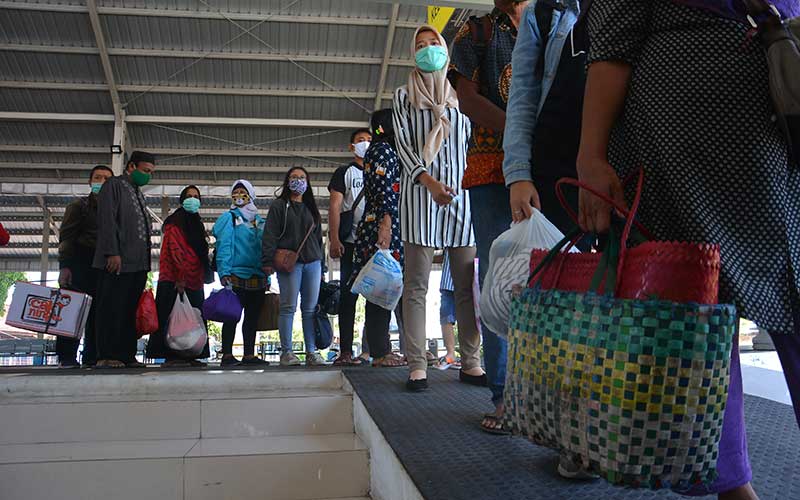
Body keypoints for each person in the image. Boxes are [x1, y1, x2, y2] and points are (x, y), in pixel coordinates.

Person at [575, 0, 800, 497]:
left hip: (768, 131)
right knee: (697, 307)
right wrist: (590, 154)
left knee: (708, 303)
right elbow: (612, 49)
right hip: (682, 147)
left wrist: (592, 151)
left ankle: (727, 483)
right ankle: (728, 482)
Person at [449, 0, 530, 436]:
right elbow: (467, 98)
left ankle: (549, 393)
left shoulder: (557, 24)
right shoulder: (475, 32)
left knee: (552, 277)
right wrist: (520, 132)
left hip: (547, 166)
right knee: (499, 279)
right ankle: (504, 395)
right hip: (490, 169)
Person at [393, 25, 485, 392]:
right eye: (420, 46)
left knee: (465, 286)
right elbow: (403, 146)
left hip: (462, 200)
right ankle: (417, 364)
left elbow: (472, 145)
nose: (428, 49)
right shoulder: (403, 96)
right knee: (415, 285)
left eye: (433, 44)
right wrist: (429, 183)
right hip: (420, 198)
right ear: (412, 54)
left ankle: (471, 361)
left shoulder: (463, 96)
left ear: (446, 51)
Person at [349, 109, 406, 368]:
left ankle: (386, 349)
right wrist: (386, 224)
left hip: (381, 223)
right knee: (382, 288)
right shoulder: (382, 150)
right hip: (382, 225)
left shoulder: (381, 150)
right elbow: (386, 191)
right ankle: (381, 352)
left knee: (386, 287)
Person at [93, 151, 156, 369]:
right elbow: (107, 219)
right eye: (145, 170)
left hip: (137, 264)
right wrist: (112, 252)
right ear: (131, 166)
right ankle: (107, 354)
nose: (147, 175)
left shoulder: (138, 192)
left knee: (129, 310)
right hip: (118, 260)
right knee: (112, 307)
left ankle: (126, 354)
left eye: (151, 173)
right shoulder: (114, 186)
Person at [262, 167, 326, 367]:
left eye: (302, 178)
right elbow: (270, 234)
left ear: (308, 182)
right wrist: (267, 261)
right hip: (289, 263)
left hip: (313, 263)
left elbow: (318, 238)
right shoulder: (280, 206)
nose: (298, 181)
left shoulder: (311, 208)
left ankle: (311, 352)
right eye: (293, 177)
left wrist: (322, 266)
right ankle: (287, 352)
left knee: (310, 309)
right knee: (288, 307)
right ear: (286, 181)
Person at [147, 186, 211, 367]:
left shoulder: (196, 223)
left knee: (193, 319)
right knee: (172, 317)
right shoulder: (174, 222)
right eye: (189, 196)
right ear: (182, 200)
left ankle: (190, 355)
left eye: (196, 196)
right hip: (175, 279)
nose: (193, 199)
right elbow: (175, 250)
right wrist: (180, 276)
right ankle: (171, 355)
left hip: (194, 279)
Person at [56, 165, 113, 367]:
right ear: (90, 182)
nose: (102, 181)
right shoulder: (78, 206)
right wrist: (65, 266)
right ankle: (67, 356)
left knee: (99, 313)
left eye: (106, 178)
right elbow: (66, 238)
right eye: (98, 177)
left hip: (104, 266)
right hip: (81, 263)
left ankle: (92, 355)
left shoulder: (115, 210)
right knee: (73, 310)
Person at [212, 180, 269, 367]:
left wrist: (267, 275)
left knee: (252, 317)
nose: (238, 195)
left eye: (242, 191)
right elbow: (224, 245)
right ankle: (227, 355)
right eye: (235, 192)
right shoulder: (229, 218)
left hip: (258, 277)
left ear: (251, 195)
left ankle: (249, 355)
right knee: (231, 315)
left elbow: (265, 249)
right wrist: (224, 272)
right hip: (235, 275)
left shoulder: (259, 221)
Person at [328, 128, 371, 366]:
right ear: (351, 147)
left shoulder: (380, 170)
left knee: (379, 296)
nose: (365, 144)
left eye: (369, 140)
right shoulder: (344, 172)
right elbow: (334, 206)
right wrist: (334, 238)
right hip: (351, 243)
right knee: (348, 296)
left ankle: (376, 350)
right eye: (360, 141)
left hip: (375, 244)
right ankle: (346, 350)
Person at [436, 252, 461, 370]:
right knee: (446, 315)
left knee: (467, 315)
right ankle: (451, 353)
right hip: (448, 277)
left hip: (466, 272)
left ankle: (468, 355)